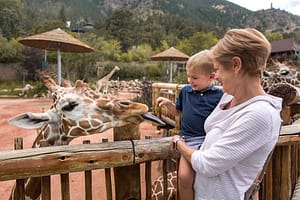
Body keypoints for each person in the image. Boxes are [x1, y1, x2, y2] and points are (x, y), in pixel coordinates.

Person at [171, 28, 282, 200]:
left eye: (219, 70)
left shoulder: (261, 115)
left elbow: (208, 164)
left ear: (236, 65)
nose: (217, 77)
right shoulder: (228, 97)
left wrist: (179, 143)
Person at [157, 50, 223, 200]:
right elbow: (177, 112)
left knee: (207, 180)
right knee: (184, 178)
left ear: (211, 77)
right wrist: (169, 104)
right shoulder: (185, 91)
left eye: (195, 77)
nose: (190, 80)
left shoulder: (220, 95)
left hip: (210, 141)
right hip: (188, 140)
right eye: (189, 76)